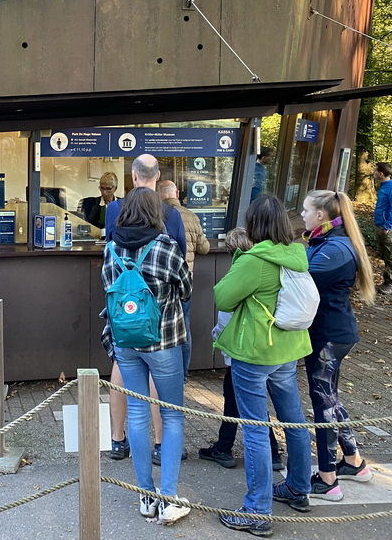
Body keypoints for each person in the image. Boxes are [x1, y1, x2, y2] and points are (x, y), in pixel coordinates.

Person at [213, 194, 312, 535]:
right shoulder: (296, 253)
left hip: (255, 352)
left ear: (253, 224)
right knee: (294, 419)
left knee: (255, 428)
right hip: (288, 349)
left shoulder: (255, 259)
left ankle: (257, 509)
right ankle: (299, 487)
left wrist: (241, 257)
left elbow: (222, 296)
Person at [102, 187, 192, 525]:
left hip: (126, 342)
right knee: (172, 417)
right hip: (164, 342)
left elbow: (107, 288)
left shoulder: (110, 249)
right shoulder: (166, 247)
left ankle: (146, 496)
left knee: (136, 415)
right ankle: (168, 498)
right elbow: (185, 288)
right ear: (156, 213)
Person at [300, 189, 376, 500]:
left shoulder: (336, 249)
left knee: (323, 405)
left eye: (305, 210)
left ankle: (328, 479)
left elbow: (303, 282)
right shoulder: (329, 242)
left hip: (328, 336)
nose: (302, 214)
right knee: (330, 398)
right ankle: (354, 462)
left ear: (321, 215)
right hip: (332, 332)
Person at [198, 227, 284, 472]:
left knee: (245, 402)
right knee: (242, 399)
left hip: (242, 350)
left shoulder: (240, 273)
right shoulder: (270, 269)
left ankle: (235, 449)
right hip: (265, 348)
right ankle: (232, 446)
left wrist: (218, 340)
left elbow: (225, 315)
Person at [158, 180, 210, 272]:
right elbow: (204, 248)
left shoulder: (154, 216)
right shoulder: (192, 216)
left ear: (157, 195)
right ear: (177, 193)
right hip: (185, 274)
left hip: (162, 274)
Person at [373, 162, 392, 295]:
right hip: (381, 225)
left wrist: (388, 226)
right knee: (385, 255)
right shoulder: (383, 186)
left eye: (375, 171)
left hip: (389, 228)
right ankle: (387, 281)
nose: (373, 172)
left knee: (391, 256)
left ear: (381, 173)